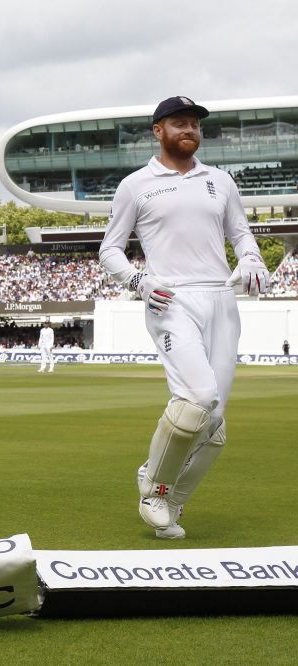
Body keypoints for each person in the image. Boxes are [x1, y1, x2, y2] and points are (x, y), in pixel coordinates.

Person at [99, 95, 269, 539]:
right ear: (158, 131)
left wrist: (251, 259)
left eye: (194, 123)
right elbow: (110, 249)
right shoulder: (136, 184)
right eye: (179, 123)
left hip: (221, 300)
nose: (189, 129)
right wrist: (137, 282)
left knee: (213, 423)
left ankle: (171, 503)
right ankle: (154, 490)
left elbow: (241, 234)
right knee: (198, 399)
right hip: (170, 300)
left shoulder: (220, 181)